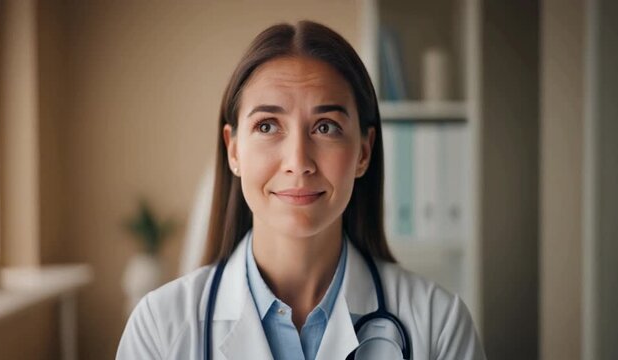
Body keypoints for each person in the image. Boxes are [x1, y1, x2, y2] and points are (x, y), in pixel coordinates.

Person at [117, 20, 486, 360]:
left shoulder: (439, 326)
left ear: (363, 152)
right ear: (233, 150)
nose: (298, 161)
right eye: (267, 126)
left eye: (325, 127)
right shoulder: (159, 329)